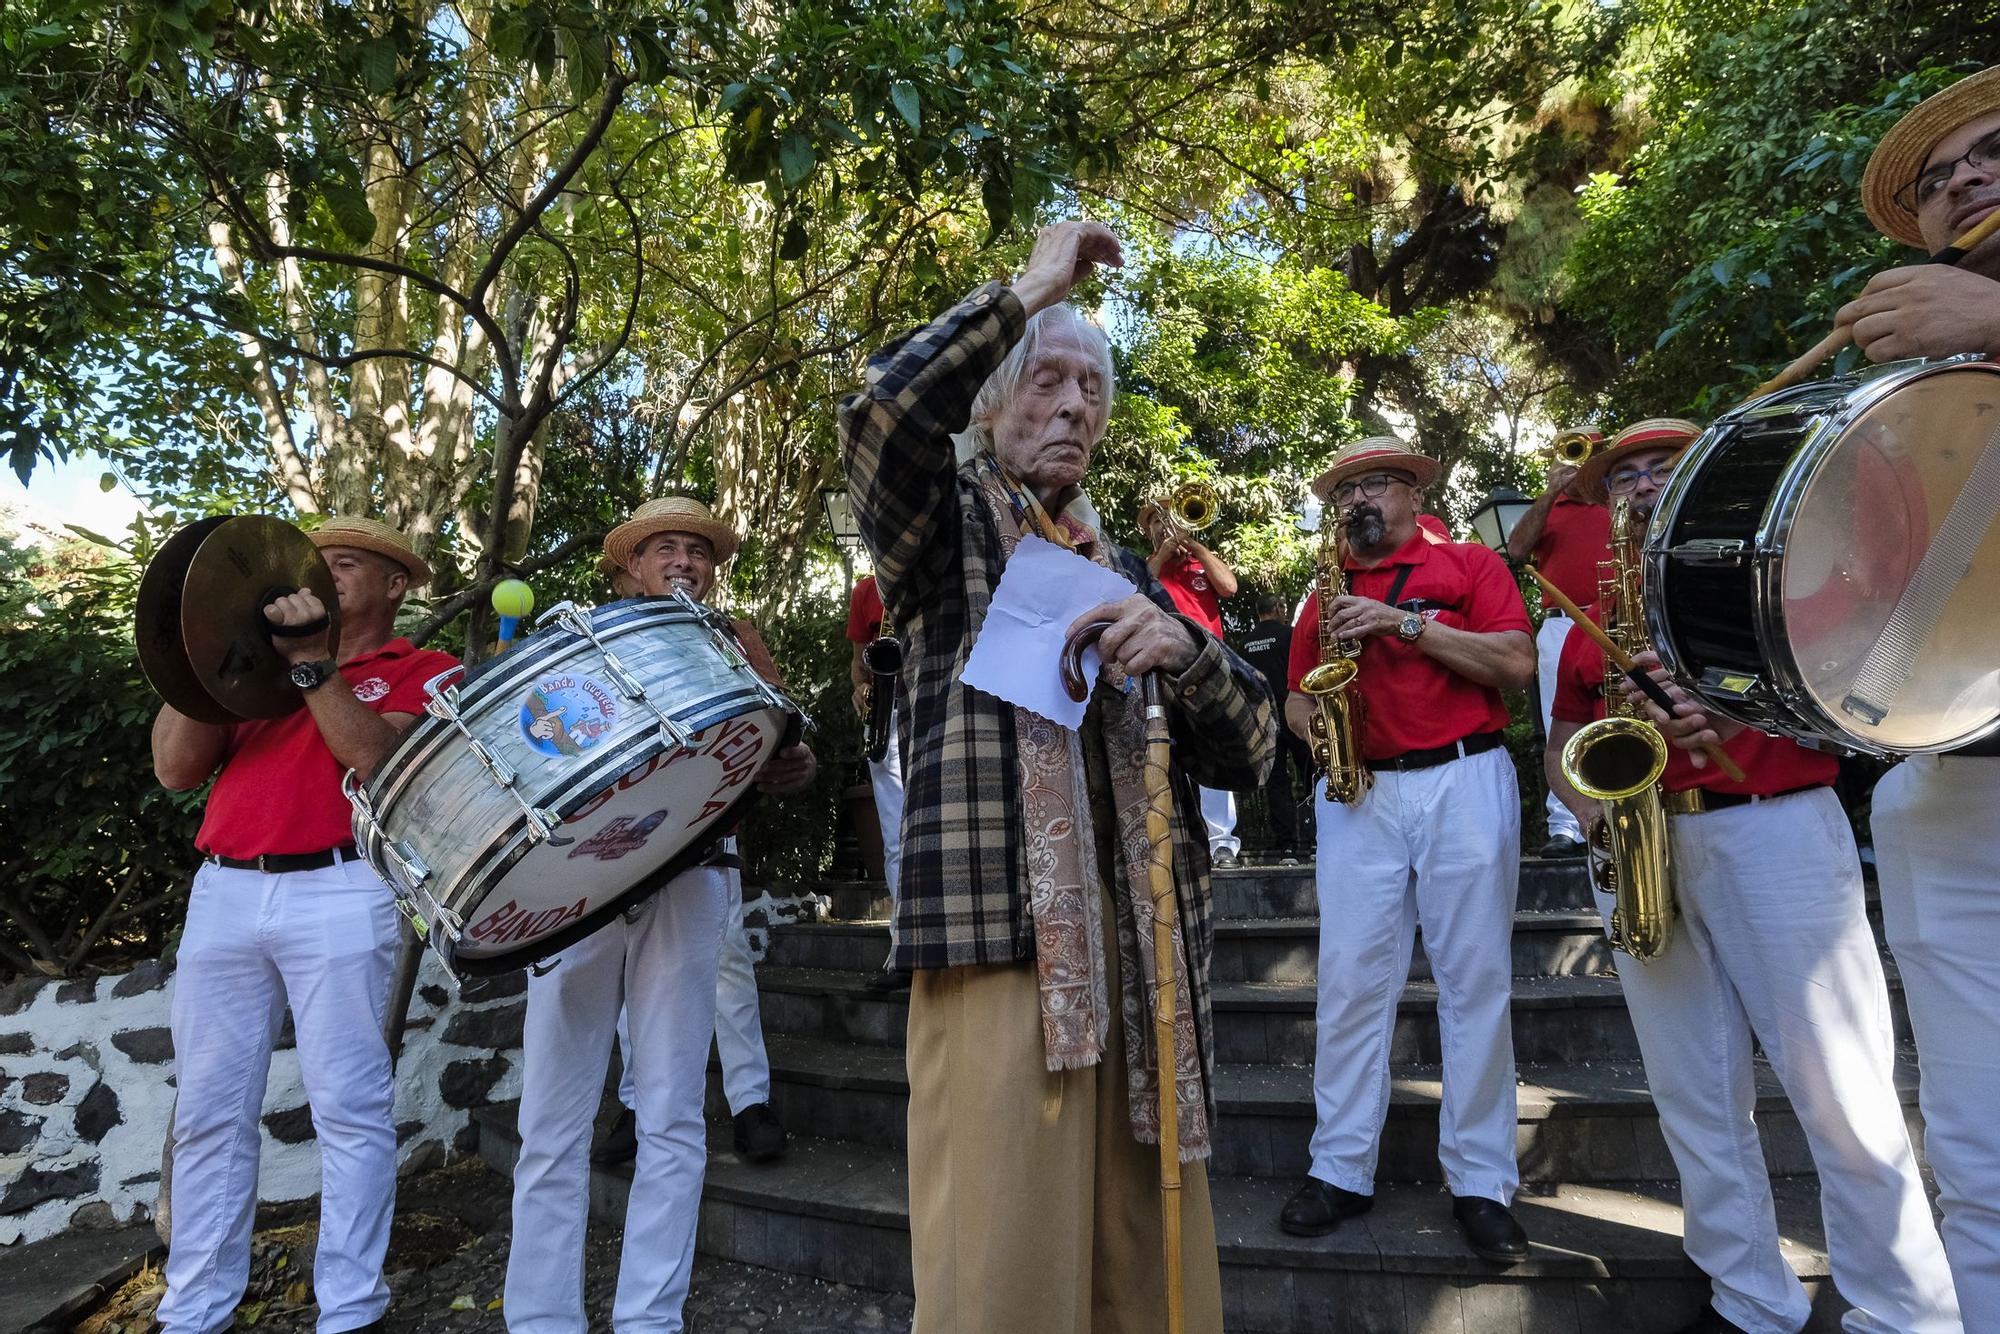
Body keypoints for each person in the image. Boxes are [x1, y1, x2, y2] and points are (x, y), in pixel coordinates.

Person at [841, 220, 1275, 1334]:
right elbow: (882, 414)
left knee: (1142, 1264)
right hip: (999, 946)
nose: (1074, 405)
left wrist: (1187, 653)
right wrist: (1028, 290)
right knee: (1002, 1267)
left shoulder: (1126, 570)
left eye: (1090, 387)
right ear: (989, 405)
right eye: (1044, 379)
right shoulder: (943, 534)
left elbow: (1257, 749)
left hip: (1139, 959)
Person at [1653, 64, 2000, 1329]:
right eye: (1936, 175)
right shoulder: (1903, 400)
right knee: (1975, 1159)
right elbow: (1862, 616)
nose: (1961, 175)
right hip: (1951, 788)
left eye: (1988, 149)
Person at [1546, 422, 1960, 1334]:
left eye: (1662, 468)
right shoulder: (1593, 613)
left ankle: (1906, 1314)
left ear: (1703, 478)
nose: (1643, 485)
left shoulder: (1786, 578)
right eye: (1625, 477)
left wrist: (1726, 715)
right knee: (1693, 1095)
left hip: (1772, 833)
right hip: (1645, 845)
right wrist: (1588, 807)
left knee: (1843, 1089)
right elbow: (1561, 746)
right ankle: (1748, 1300)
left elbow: (1853, 701)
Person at [504, 495, 814, 1334]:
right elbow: (533, 746)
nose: (684, 560)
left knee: (673, 1117)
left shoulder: (734, 637)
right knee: (551, 1125)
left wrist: (795, 762)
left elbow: (788, 736)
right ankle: (540, 1322)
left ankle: (650, 1320)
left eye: (698, 550)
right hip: (580, 890)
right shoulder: (579, 636)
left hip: (694, 877)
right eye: (664, 548)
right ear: (630, 567)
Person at [151, 515, 457, 1334]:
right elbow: (176, 769)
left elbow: (377, 760)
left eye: (345, 564)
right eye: (314, 562)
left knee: (348, 1108)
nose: (319, 574)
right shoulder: (247, 670)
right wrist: (203, 663)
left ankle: (351, 1309)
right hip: (224, 889)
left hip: (341, 887)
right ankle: (194, 1311)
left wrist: (313, 665)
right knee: (209, 1109)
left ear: (395, 586)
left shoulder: (427, 669)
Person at [1279, 436, 1537, 1263]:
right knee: (1351, 983)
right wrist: (1320, 736)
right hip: (1362, 792)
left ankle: (1482, 1182)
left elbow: (1516, 665)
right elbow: (1293, 695)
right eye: (1346, 488)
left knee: (1475, 983)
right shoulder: (1323, 590)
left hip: (1465, 779)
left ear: (1412, 494)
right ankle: (1340, 1167)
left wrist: (1403, 624)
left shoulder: (1470, 565)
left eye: (1375, 484)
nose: (1359, 499)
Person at [1505, 427, 1612, 859]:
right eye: (1576, 451)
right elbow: (1515, 549)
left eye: (1594, 452)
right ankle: (1568, 826)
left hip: (1619, 617)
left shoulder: (1618, 498)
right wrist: (1550, 494)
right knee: (1560, 724)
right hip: (1563, 623)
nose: (1583, 460)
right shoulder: (1551, 506)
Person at [1142, 498, 1245, 867]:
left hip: (1210, 666)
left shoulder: (1202, 560)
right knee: (1165, 752)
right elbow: (1137, 591)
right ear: (1147, 531)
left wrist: (1197, 546)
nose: (1163, 525)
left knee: (1213, 748)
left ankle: (1222, 843)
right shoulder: (1147, 566)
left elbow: (1229, 586)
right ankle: (1177, 841)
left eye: (1168, 518)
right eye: (1155, 521)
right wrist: (1164, 553)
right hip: (1162, 669)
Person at [847, 571, 910, 990]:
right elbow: (857, 664)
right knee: (894, 838)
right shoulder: (866, 592)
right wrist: (860, 691)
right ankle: (902, 948)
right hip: (886, 716)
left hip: (938, 708)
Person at [1239, 592, 1312, 862]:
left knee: (1276, 781)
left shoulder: (1245, 643)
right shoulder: (1289, 636)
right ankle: (1315, 839)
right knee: (1310, 775)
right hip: (1294, 711)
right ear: (1279, 608)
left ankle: (1287, 846)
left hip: (1264, 718)